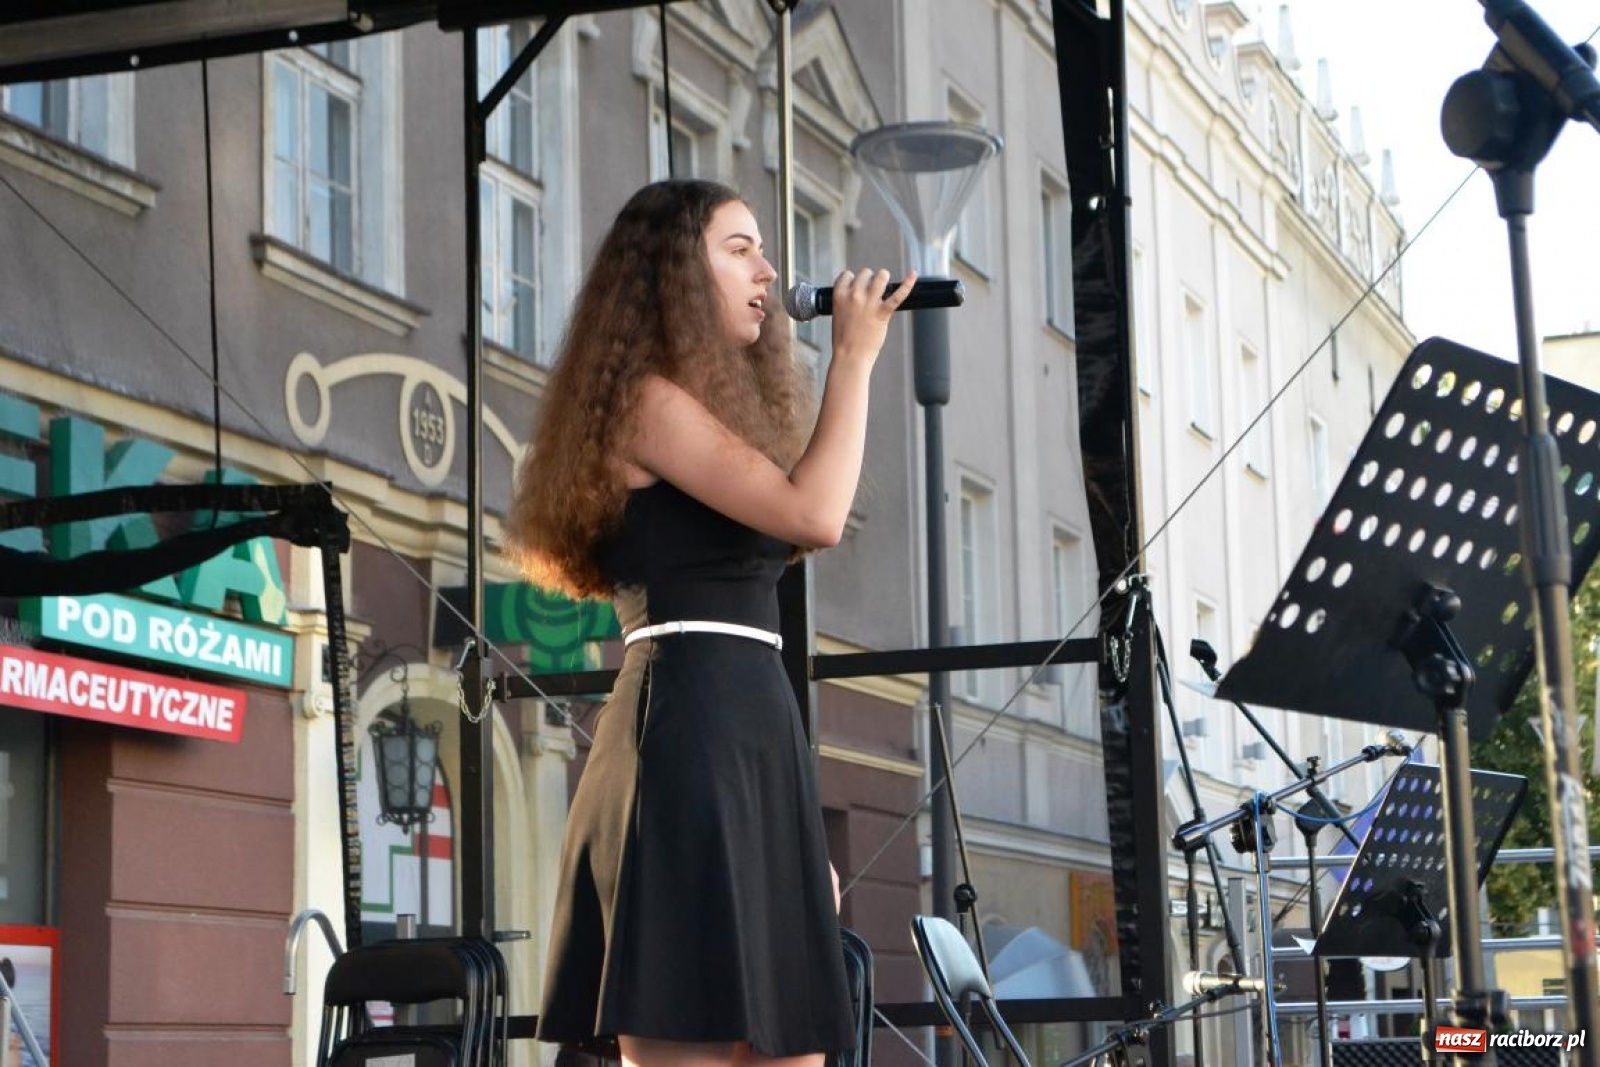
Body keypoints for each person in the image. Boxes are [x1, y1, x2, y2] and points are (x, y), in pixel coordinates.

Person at [505, 178, 913, 1067]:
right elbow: (816, 513)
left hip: (749, 737)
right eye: (739, 248)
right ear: (673, 277)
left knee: (791, 1050)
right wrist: (854, 357)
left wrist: (788, 831)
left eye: (763, 249)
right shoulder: (646, 404)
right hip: (684, 744)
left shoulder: (708, 415)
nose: (768, 270)